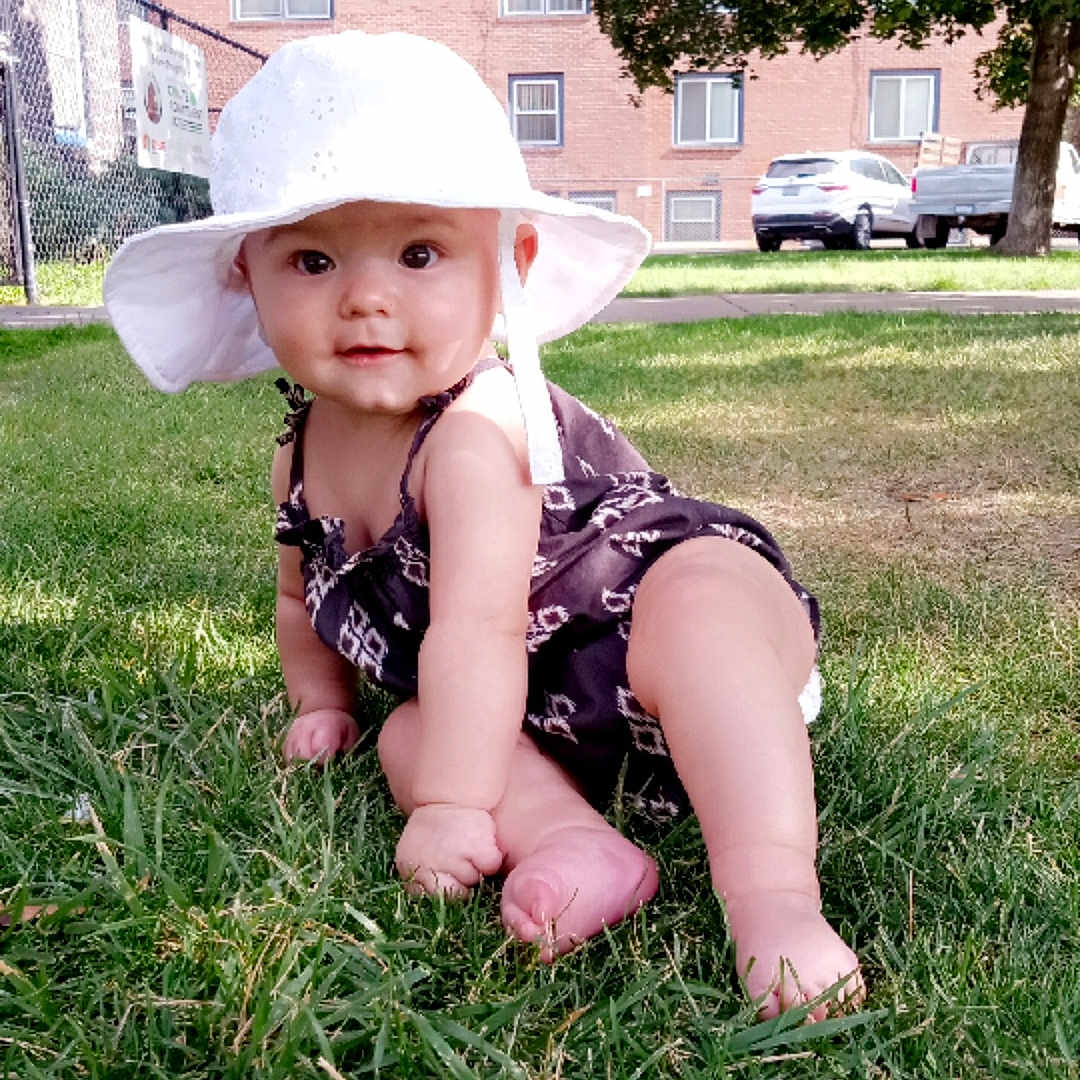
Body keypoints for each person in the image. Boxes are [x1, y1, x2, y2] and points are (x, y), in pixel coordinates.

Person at [105, 30, 862, 1019]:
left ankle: (773, 900)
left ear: (511, 264)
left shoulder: (471, 431)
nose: (367, 297)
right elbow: (301, 595)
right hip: (541, 708)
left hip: (653, 617)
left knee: (701, 607)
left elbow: (478, 628)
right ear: (246, 271)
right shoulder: (295, 455)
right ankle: (573, 842)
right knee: (413, 735)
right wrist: (319, 701)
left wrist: (456, 806)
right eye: (314, 258)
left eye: (420, 253)